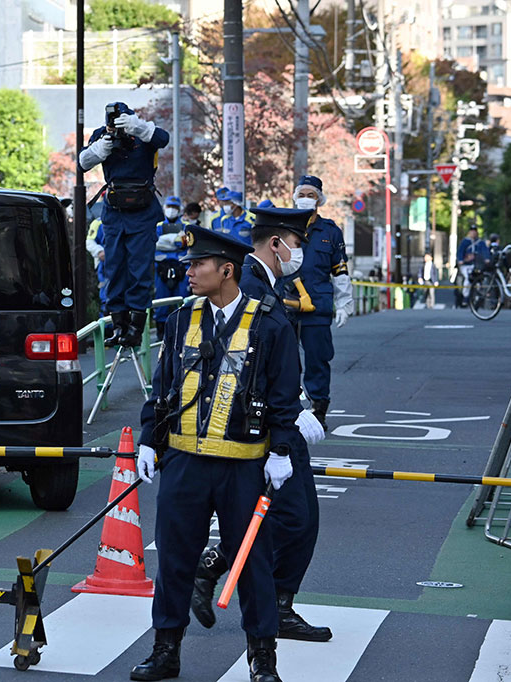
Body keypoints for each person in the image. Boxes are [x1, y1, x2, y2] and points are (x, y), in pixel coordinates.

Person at [131, 225, 301, 682]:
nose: (188, 272)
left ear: (227, 270)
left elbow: (285, 394)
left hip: (243, 465)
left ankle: (262, 659)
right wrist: (149, 439)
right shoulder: (180, 319)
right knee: (174, 559)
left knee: (253, 563)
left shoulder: (269, 322)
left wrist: (281, 449)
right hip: (183, 461)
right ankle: (166, 651)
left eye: (198, 264)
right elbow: (163, 387)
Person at [188, 207, 331, 647]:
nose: (300, 254)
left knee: (293, 518)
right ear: (276, 244)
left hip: (272, 418)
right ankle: (227, 578)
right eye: (297, 244)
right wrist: (291, 411)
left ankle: (264, 596)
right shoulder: (247, 285)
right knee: (293, 518)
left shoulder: (266, 283)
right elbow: (237, 363)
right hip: (259, 426)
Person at [80, 102, 170, 347]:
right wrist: (102, 146)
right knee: (114, 268)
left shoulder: (144, 133)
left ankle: (135, 328)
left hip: (142, 211)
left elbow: (163, 139)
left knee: (140, 270)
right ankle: (118, 325)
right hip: (115, 211)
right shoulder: (102, 135)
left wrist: (138, 128)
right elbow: (82, 163)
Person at [281, 175, 352, 430]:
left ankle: (318, 410)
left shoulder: (330, 232)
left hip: (317, 307)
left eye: (311, 195)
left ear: (319, 200)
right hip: (285, 304)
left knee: (317, 360)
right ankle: (286, 409)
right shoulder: (282, 228)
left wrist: (345, 304)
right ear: (294, 197)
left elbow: (340, 271)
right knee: (284, 361)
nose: (305, 199)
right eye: (301, 195)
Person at [153, 196, 190, 339]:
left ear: (179, 209)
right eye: (169, 207)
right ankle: (161, 332)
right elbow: (154, 244)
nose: (171, 210)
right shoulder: (157, 226)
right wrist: (176, 241)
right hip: (161, 268)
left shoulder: (186, 226)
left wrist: (166, 243)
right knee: (161, 300)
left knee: (182, 299)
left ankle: (182, 330)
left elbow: (186, 244)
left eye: (174, 207)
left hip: (182, 267)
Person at [456, 225, 489, 305]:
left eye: (474, 231)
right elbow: (460, 252)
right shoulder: (465, 242)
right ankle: (466, 297)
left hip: (477, 265)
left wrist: (486, 258)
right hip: (466, 265)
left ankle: (478, 296)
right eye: (472, 231)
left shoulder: (480, 242)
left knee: (480, 279)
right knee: (468, 279)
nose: (473, 233)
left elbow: (485, 251)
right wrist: (461, 260)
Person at [86, 216, 109, 317]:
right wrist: (99, 251)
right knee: (106, 298)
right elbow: (89, 241)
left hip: (123, 263)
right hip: (104, 264)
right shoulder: (98, 222)